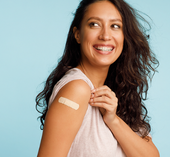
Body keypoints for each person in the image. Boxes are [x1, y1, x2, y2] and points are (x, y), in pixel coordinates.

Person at [36, 0, 159, 156]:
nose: (105, 36)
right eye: (94, 24)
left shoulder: (120, 92)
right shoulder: (76, 90)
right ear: (78, 34)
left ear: (124, 37)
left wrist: (113, 120)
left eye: (115, 26)